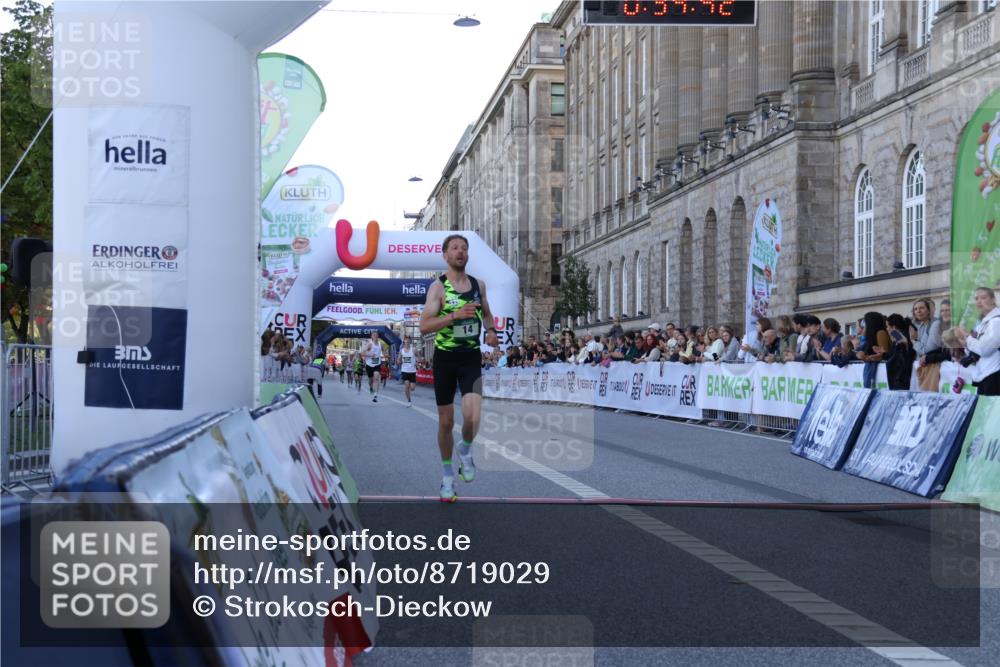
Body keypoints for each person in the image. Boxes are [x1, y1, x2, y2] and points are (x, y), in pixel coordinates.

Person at [419, 234, 500, 502]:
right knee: (446, 421)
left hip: (470, 357)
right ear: (445, 256)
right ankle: (447, 478)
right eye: (454, 248)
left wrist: (490, 331)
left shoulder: (479, 286)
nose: (460, 252)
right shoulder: (438, 288)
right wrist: (453, 315)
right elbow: (424, 326)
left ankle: (465, 450)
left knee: (473, 416)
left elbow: (486, 313)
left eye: (464, 248)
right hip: (445, 358)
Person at [955, 287, 1000, 395]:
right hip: (984, 376)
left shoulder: (996, 321)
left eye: (983, 297)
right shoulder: (983, 323)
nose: (979, 302)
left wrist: (966, 336)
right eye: (976, 299)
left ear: (993, 300)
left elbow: (985, 350)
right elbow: (975, 351)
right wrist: (963, 342)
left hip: (994, 376)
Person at [856, 312, 891, 388]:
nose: (863, 327)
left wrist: (867, 358)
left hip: (878, 371)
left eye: (865, 324)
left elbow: (884, 354)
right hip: (871, 368)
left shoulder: (880, 333)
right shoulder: (869, 338)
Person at [361, 332, 383, 401]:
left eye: (377, 335)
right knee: (371, 380)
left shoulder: (380, 344)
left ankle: (375, 395)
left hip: (377, 364)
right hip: (369, 364)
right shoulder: (369, 344)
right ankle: (371, 387)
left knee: (376, 378)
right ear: (372, 337)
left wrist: (385, 355)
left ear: (378, 336)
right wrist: (370, 355)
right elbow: (362, 353)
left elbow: (382, 353)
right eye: (374, 335)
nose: (375, 336)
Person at [399, 340, 418, 406]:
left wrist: (418, 361)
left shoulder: (414, 350)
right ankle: (409, 401)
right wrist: (399, 361)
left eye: (408, 342)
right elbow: (399, 359)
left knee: (412, 388)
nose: (407, 343)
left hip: (412, 371)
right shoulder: (401, 351)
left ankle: (407, 391)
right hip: (404, 371)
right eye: (405, 342)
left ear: (410, 343)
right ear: (404, 343)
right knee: (407, 385)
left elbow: (419, 357)